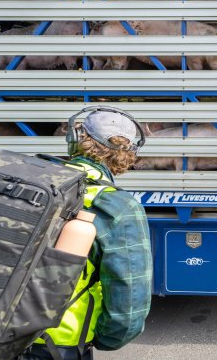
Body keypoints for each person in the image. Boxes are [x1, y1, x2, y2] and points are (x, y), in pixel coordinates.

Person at [20, 106, 152, 360]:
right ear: (126, 155)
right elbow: (128, 306)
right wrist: (102, 339)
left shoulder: (35, 184)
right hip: (57, 346)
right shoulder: (117, 207)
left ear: (75, 140)